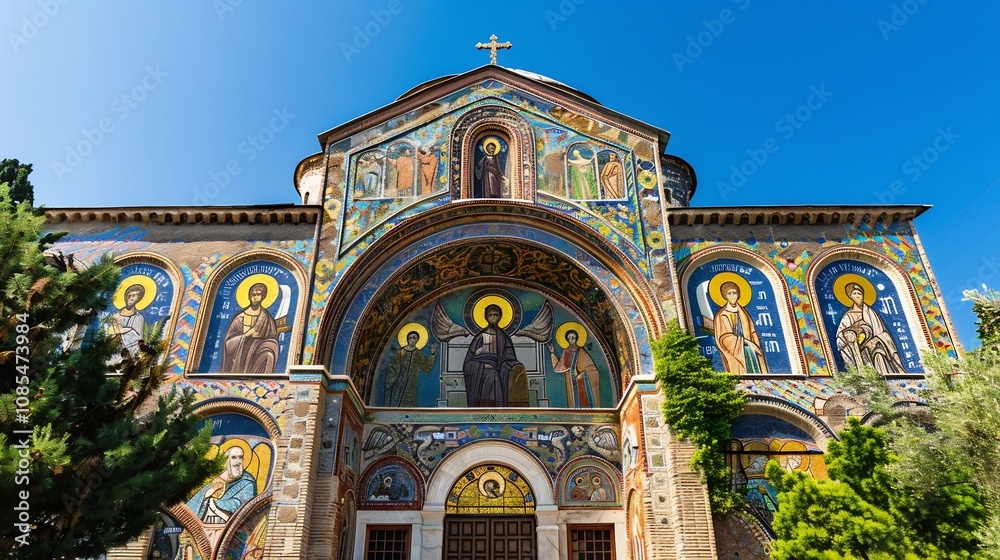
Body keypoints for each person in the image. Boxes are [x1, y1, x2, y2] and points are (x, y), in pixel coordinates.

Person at [836, 282, 905, 374]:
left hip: (878, 345)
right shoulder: (847, 317)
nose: (857, 296)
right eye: (854, 293)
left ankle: (887, 374)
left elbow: (881, 331)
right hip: (860, 349)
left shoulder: (871, 313)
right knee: (873, 350)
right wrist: (851, 335)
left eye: (859, 293)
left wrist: (874, 337)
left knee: (879, 349)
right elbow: (840, 338)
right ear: (850, 296)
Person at [462, 304, 521, 407]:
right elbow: (468, 363)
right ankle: (486, 410)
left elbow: (509, 358)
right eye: (490, 315)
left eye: (496, 315)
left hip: (499, 369)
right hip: (481, 372)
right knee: (492, 375)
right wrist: (482, 366)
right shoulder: (480, 337)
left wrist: (516, 366)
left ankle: (497, 411)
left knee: (494, 375)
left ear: (500, 317)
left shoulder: (504, 338)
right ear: (485, 317)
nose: (493, 317)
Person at [186, 446, 257, 523]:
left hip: (230, 527)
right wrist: (206, 494)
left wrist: (214, 502)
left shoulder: (247, 482)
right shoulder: (215, 478)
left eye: (240, 457)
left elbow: (244, 505)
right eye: (234, 457)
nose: (238, 461)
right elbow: (193, 505)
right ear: (226, 460)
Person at [222, 283, 280, 373]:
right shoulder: (239, 318)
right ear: (249, 296)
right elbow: (228, 343)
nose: (255, 297)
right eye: (253, 294)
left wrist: (266, 347)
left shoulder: (266, 318)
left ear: (263, 297)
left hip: (258, 354)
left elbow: (272, 340)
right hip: (241, 355)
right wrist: (246, 335)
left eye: (258, 295)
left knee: (268, 355)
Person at [713, 281, 768, 374]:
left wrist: (755, 344)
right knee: (747, 351)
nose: (732, 296)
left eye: (734, 293)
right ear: (725, 296)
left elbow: (752, 331)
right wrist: (744, 341)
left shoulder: (743, 312)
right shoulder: (722, 314)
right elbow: (724, 337)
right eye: (729, 293)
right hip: (736, 349)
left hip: (749, 345)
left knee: (752, 352)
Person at [548, 329, 602, 408]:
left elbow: (591, 368)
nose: (572, 339)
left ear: (576, 338)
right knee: (573, 398)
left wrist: (582, 374)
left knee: (583, 398)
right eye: (570, 338)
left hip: (581, 379)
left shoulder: (581, 351)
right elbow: (559, 366)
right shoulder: (566, 352)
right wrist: (552, 353)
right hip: (570, 379)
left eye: (573, 337)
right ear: (567, 339)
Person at [385, 331, 437, 407]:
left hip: (411, 385)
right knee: (397, 402)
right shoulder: (400, 352)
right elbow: (392, 367)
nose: (412, 340)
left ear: (417, 340)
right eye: (410, 338)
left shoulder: (417, 354)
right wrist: (392, 380)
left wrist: (432, 354)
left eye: (414, 338)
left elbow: (426, 368)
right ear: (407, 339)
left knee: (409, 403)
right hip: (399, 384)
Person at [110, 283, 145, 357]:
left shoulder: (138, 318)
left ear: (139, 299)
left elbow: (139, 341)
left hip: (129, 354)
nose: (130, 298)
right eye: (128, 296)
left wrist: (124, 331)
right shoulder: (115, 316)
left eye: (133, 296)